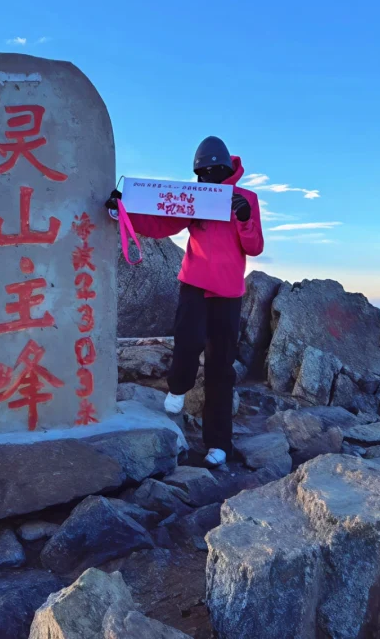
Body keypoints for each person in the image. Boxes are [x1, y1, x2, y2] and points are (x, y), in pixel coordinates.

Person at [106, 136, 263, 467]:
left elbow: (254, 247)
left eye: (212, 172)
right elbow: (163, 222)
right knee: (187, 342)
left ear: (224, 169)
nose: (206, 178)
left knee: (221, 369)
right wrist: (124, 211)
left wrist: (245, 217)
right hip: (193, 285)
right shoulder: (197, 197)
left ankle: (219, 444)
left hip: (228, 295)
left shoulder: (246, 198)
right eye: (201, 173)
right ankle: (178, 387)